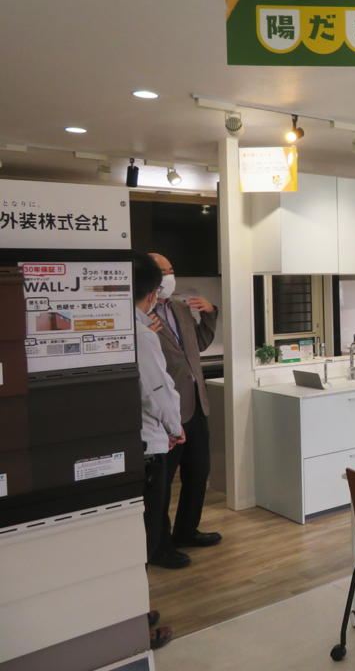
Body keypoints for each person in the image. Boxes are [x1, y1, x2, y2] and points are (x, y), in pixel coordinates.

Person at [148, 252, 222, 560]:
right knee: (163, 482)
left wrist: (210, 313)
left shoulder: (179, 307)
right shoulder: (139, 315)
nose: (169, 277)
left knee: (198, 472)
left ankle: (187, 530)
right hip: (166, 411)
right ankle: (160, 544)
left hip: (196, 405)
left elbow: (198, 346)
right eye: (162, 272)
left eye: (171, 270)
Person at [133, 251, 183, 648]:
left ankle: (134, 610)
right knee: (144, 539)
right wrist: (175, 428)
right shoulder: (143, 333)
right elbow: (158, 391)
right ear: (152, 292)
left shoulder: (123, 324)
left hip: (134, 444)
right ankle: (134, 626)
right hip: (150, 446)